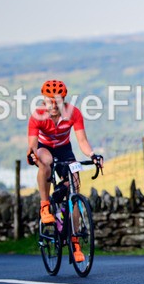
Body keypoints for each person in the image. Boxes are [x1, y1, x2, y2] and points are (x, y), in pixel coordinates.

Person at [27, 80, 103, 263]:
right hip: (45, 148)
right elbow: (33, 144)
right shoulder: (37, 115)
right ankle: (45, 206)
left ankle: (75, 242)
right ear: (44, 99)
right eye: (50, 100)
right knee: (46, 161)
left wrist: (93, 155)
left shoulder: (73, 113)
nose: (54, 104)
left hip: (65, 149)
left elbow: (82, 141)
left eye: (58, 100)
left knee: (74, 189)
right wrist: (31, 154)